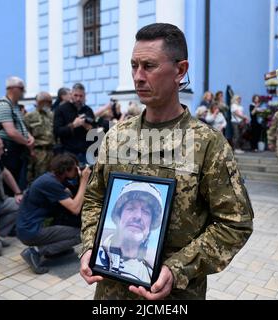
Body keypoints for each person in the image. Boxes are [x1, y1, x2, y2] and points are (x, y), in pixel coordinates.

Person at [80, 23, 253, 300]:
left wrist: (177, 269)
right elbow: (94, 199)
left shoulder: (208, 145)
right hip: (111, 294)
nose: (138, 77)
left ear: (180, 70)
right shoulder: (117, 137)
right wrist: (90, 245)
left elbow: (235, 223)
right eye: (134, 65)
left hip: (174, 297)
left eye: (149, 66)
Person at [17, 154, 91, 274]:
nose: (78, 170)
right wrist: (84, 181)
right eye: (75, 168)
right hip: (31, 231)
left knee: (68, 226)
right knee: (81, 234)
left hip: (29, 227)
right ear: (66, 170)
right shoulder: (50, 183)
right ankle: (35, 252)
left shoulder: (51, 179)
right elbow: (75, 208)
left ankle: (56, 251)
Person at [96, 182, 163, 284]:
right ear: (119, 216)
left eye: (146, 212)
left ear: (151, 225)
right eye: (131, 208)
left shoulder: (155, 273)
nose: (138, 216)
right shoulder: (96, 248)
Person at [0, 77, 35, 195]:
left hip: (18, 149)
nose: (24, 91)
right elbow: (11, 132)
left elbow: (21, 126)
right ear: (11, 89)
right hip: (9, 150)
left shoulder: (15, 106)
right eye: (21, 88)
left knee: (20, 182)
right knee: (11, 184)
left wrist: (29, 137)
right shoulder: (3, 105)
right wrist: (28, 143)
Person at [53, 83, 95, 165]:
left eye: (81, 96)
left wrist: (89, 127)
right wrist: (73, 125)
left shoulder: (88, 110)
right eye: (76, 95)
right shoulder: (61, 109)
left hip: (86, 153)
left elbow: (95, 130)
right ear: (71, 94)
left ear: (84, 96)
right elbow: (57, 131)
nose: (78, 99)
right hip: (69, 153)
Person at [24, 92, 55, 183]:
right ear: (38, 102)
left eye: (49, 102)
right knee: (38, 178)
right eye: (44, 102)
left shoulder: (52, 115)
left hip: (52, 151)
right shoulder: (29, 116)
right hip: (38, 152)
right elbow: (26, 134)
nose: (47, 104)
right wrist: (31, 151)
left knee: (53, 178)